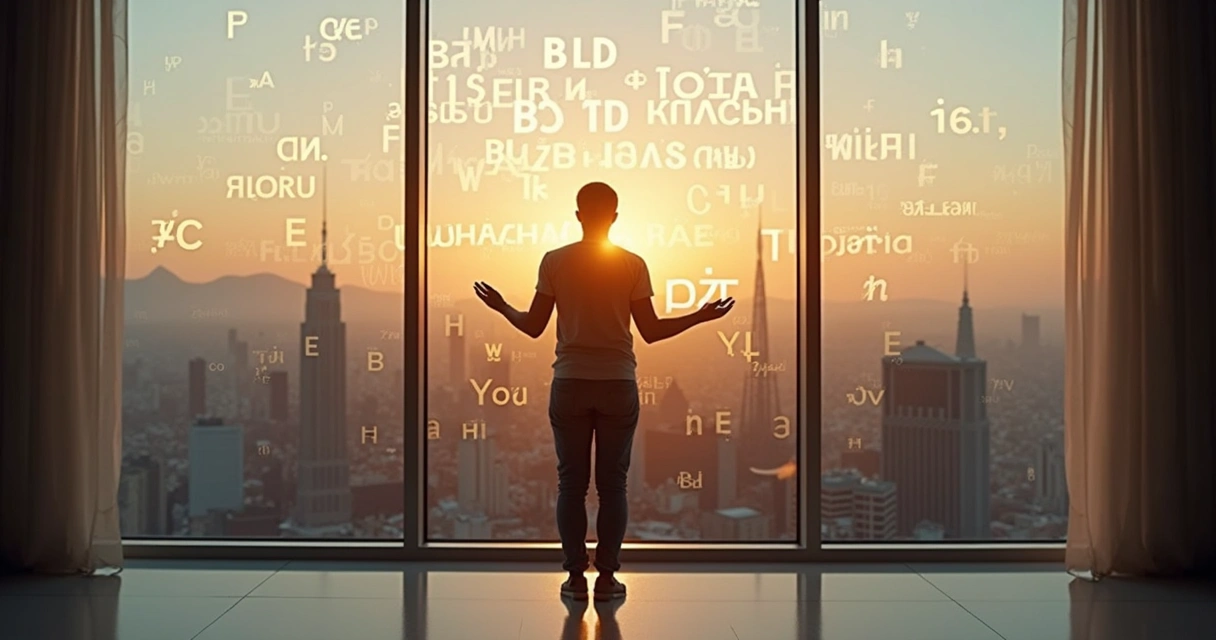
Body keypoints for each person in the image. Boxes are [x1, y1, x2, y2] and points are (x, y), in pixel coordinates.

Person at [473, 182, 734, 602]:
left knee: (570, 486)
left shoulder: (554, 261)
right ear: (615, 216)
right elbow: (651, 331)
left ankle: (576, 579)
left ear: (578, 215)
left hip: (570, 382)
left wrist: (502, 306)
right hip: (617, 383)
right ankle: (608, 578)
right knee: (613, 487)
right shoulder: (632, 264)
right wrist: (700, 316)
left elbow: (535, 326)